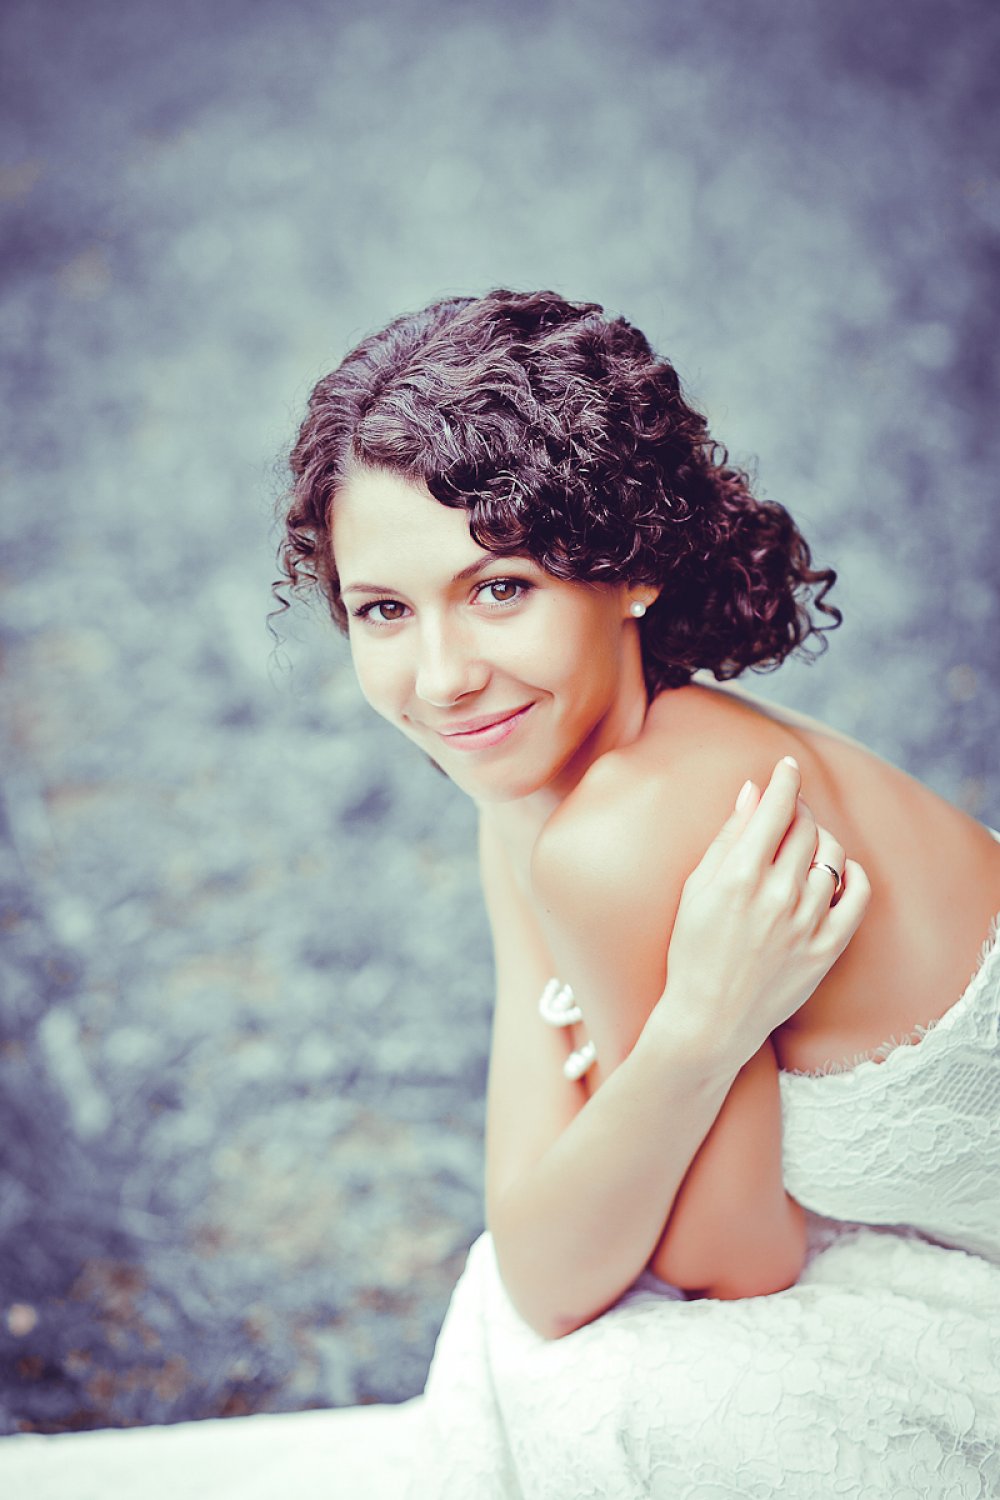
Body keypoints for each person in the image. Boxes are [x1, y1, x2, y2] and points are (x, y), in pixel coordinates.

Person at [3, 288, 998, 1497]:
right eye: (384, 610)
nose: (441, 680)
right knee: (530, 1338)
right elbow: (533, 1240)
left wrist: (691, 1045)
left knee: (596, 1390)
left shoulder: (638, 828)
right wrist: (696, 1033)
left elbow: (729, 1267)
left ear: (631, 570)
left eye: (499, 589)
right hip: (926, 1248)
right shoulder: (533, 804)